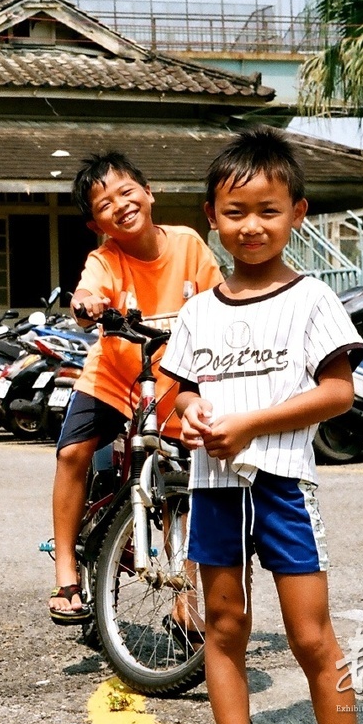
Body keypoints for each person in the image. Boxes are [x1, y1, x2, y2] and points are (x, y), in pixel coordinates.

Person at [160, 128, 363, 724]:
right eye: (235, 212)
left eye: (268, 211)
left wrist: (249, 424)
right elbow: (185, 390)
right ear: (212, 218)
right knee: (223, 630)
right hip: (213, 489)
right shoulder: (198, 310)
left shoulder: (312, 298)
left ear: (296, 214)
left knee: (310, 637)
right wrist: (191, 411)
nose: (252, 226)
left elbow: (337, 393)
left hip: (284, 488)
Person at [47, 151, 222, 624]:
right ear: (95, 223)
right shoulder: (104, 259)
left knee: (180, 487)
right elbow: (87, 294)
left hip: (170, 385)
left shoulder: (188, 244)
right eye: (104, 204)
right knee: (71, 454)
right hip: (112, 379)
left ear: (149, 192)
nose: (120, 205)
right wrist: (86, 306)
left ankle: (186, 603)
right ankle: (65, 570)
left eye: (127, 191)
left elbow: (219, 301)